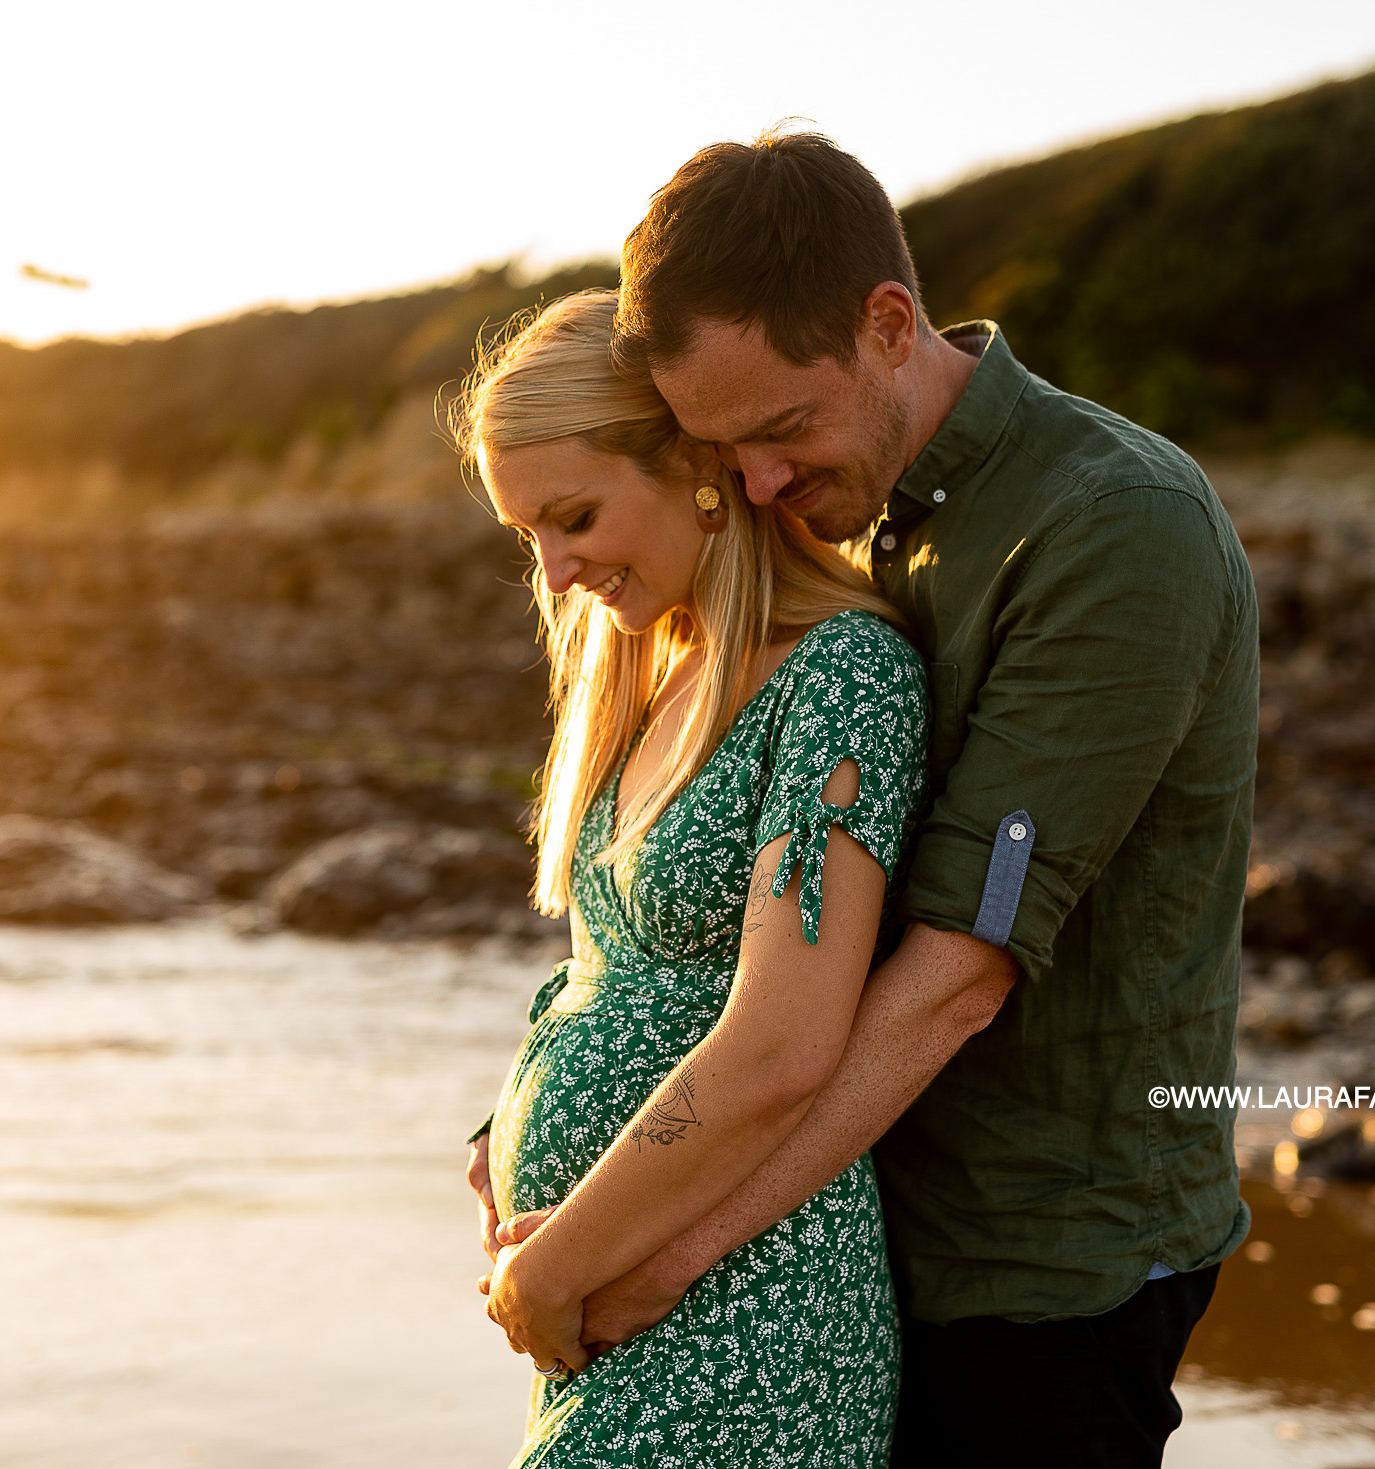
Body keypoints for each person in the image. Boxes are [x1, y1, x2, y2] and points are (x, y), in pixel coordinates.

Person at [482, 131, 1258, 1468]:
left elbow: (961, 968)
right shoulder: (861, 510)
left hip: (1036, 1257)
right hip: (849, 1233)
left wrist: (670, 1245)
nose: (762, 483)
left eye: (780, 430)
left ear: (889, 325)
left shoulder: (1111, 526)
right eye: (726, 455)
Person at [452, 288, 932, 1465]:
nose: (556, 573)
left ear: (693, 463)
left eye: (574, 517)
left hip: (743, 1318)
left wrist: (552, 1267)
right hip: (614, 1310)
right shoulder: (656, 674)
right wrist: (503, 1124)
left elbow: (782, 1044)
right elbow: (610, 967)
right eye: (530, 539)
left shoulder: (842, 674)